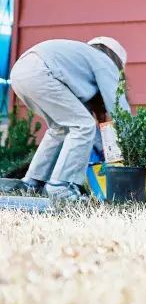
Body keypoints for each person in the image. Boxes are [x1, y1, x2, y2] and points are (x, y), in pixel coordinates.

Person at [0, 37, 129, 200]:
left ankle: (33, 181)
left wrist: (104, 149)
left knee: (59, 128)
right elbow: (118, 106)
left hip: (20, 72)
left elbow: (85, 125)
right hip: (41, 71)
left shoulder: (77, 62)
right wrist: (128, 143)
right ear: (116, 60)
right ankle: (61, 186)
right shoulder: (104, 61)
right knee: (83, 125)